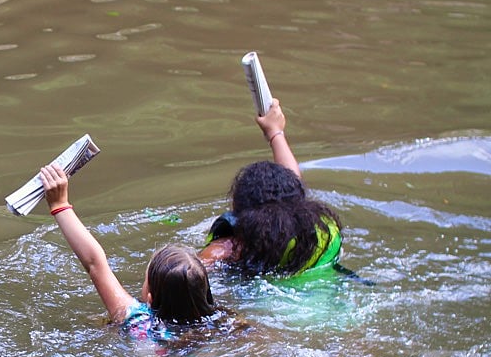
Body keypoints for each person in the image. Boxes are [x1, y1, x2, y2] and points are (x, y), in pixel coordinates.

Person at [40, 164, 221, 342]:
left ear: (150, 299)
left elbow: (94, 263)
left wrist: (59, 204)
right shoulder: (222, 325)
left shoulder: (139, 322)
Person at [199, 98, 343, 276]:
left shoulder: (230, 250)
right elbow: (292, 190)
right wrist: (275, 133)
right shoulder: (321, 232)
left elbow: (184, 273)